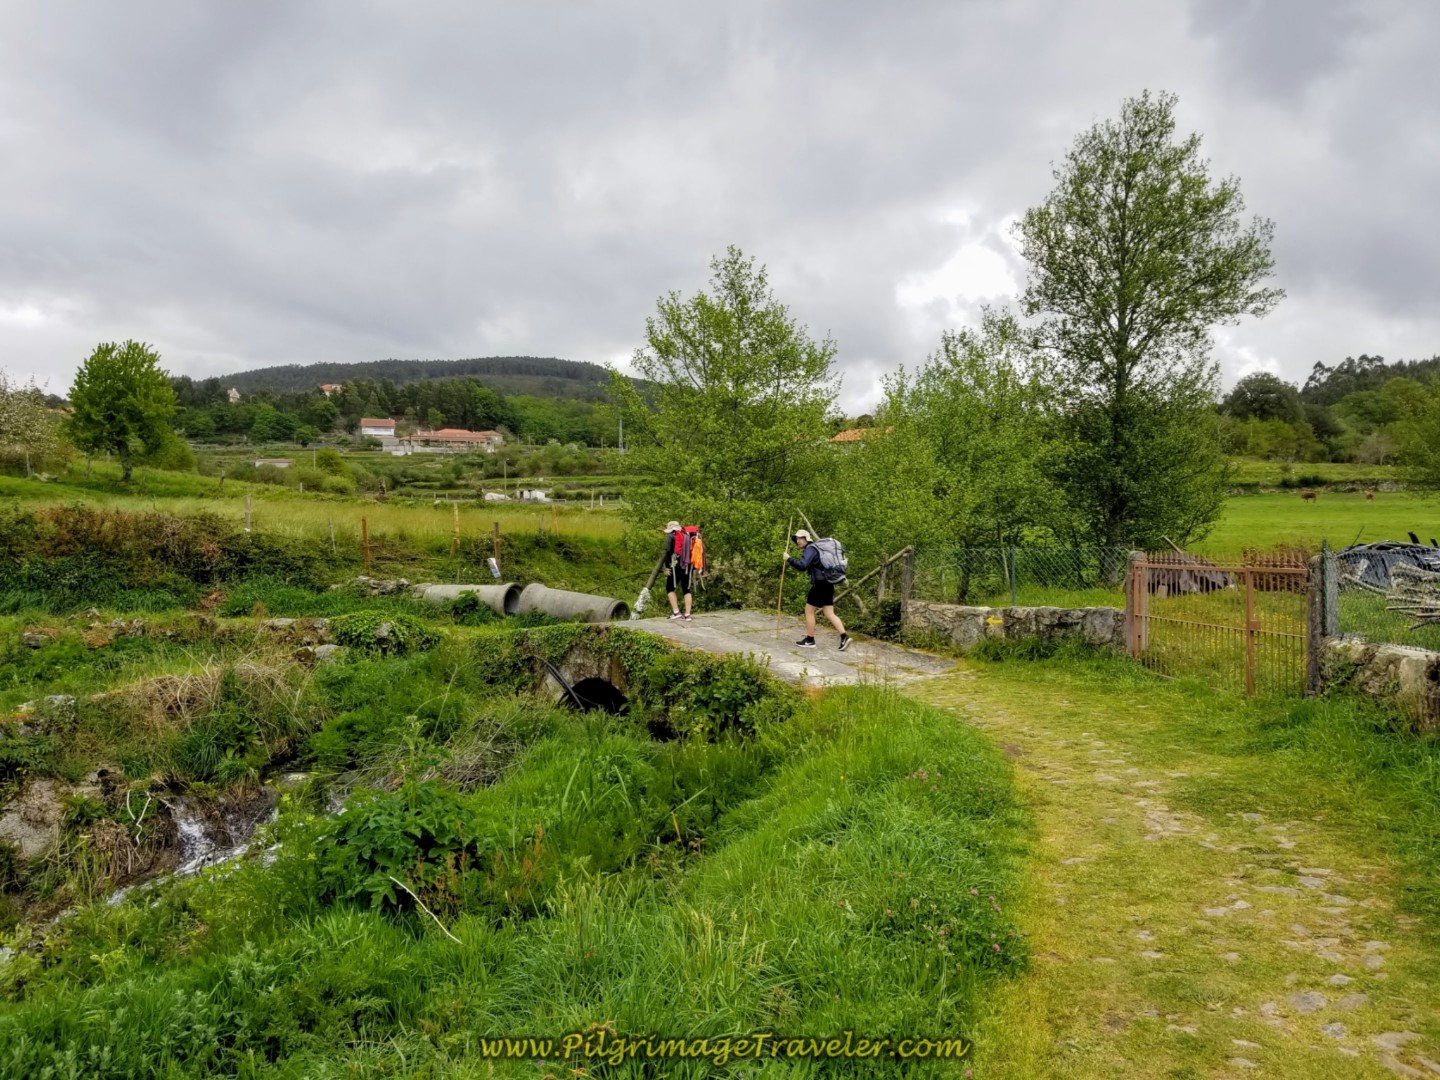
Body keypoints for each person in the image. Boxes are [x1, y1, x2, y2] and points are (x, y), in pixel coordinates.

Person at [785, 529, 850, 650]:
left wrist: (789, 559)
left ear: (806, 538)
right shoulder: (816, 549)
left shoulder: (811, 549)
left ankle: (810, 640)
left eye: (799, 538)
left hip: (820, 585)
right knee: (829, 613)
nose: (797, 541)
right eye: (796, 539)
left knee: (809, 610)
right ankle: (844, 637)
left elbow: (802, 566)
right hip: (828, 583)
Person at [662, 520, 694, 621]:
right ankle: (688, 615)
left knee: (670, 588)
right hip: (688, 565)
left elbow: (668, 553)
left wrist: (667, 567)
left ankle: (676, 612)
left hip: (675, 565)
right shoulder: (687, 535)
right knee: (686, 589)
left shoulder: (670, 536)